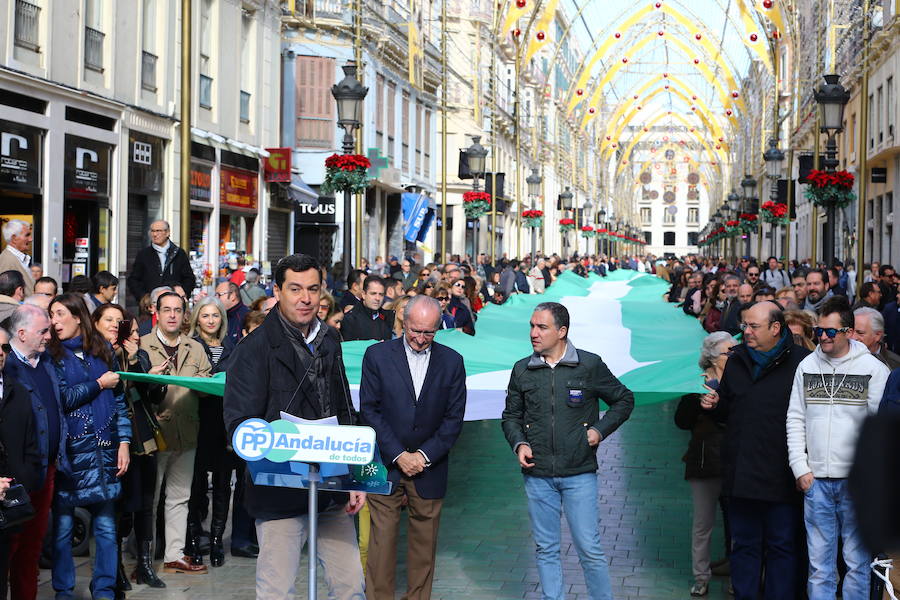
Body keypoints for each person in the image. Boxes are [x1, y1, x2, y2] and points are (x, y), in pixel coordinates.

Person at [223, 254, 366, 600]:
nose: (305, 298)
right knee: (277, 591)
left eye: (312, 290)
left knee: (351, 586)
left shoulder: (330, 340)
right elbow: (239, 424)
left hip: (330, 487)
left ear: (323, 293)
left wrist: (357, 476)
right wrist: (280, 442)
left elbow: (345, 409)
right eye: (295, 289)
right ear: (277, 291)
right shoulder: (253, 349)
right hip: (279, 491)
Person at [501, 302, 634, 600]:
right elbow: (511, 416)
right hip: (537, 475)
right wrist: (519, 443)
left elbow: (623, 399)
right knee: (545, 548)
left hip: (579, 474)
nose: (534, 333)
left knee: (588, 547)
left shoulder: (588, 365)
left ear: (562, 331)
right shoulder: (522, 369)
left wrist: (598, 431)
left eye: (542, 327)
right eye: (532, 326)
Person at [700, 301, 810, 600]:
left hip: (782, 474)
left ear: (776, 328)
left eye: (753, 326)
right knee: (744, 545)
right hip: (741, 474)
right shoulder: (737, 360)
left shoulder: (803, 363)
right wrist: (715, 404)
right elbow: (727, 406)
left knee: (781, 546)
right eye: (744, 325)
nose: (745, 332)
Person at [360, 295, 467, 600]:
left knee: (424, 547)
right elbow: (369, 410)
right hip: (386, 465)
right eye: (415, 330)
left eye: (429, 333)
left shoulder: (452, 361)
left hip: (430, 469)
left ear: (438, 329)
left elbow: (453, 419)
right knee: (381, 544)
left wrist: (422, 456)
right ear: (403, 322)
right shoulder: (377, 356)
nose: (421, 339)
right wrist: (398, 455)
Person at [787, 296, 888, 598]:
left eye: (830, 332)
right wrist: (800, 468)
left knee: (857, 563)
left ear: (847, 331)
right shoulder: (807, 365)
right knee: (819, 565)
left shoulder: (873, 369)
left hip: (856, 484)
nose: (823, 337)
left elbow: (878, 428)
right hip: (815, 481)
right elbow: (795, 417)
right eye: (819, 331)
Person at [47, 293, 131, 600]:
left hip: (106, 449)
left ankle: (105, 590)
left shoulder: (103, 349)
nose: (53, 321)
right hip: (71, 452)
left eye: (58, 314)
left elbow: (120, 402)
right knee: (63, 530)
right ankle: (64, 592)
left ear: (78, 317)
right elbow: (63, 399)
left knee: (107, 529)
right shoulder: (51, 356)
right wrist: (99, 384)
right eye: (51, 315)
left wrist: (124, 442)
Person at [141, 291, 212, 574]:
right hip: (154, 434)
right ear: (155, 313)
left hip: (187, 431)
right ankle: (144, 558)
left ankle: (174, 554)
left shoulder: (194, 348)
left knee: (180, 496)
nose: (172, 315)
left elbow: (207, 382)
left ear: (185, 314)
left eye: (177, 310)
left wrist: (201, 383)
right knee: (150, 499)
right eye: (166, 309)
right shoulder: (143, 346)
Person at [2, 304, 69, 600]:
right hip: (15, 476)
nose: (49, 335)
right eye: (43, 331)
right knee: (10, 547)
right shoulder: (9, 368)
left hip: (45, 470)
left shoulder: (46, 363)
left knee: (32, 546)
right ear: (21, 333)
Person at [675, 331, 731, 597]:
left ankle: (737, 573)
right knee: (703, 523)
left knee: (737, 523)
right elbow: (681, 421)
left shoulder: (738, 381)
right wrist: (697, 402)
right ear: (712, 356)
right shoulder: (695, 383)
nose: (733, 356)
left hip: (734, 460)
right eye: (728, 352)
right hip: (704, 459)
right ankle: (701, 576)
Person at [0, 327, 42, 599]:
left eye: (4, 348)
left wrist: (21, 483)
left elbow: (30, 446)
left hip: (10, 502)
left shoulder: (18, 392)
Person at [128, 220, 197, 303]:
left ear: (167, 233)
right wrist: (144, 297)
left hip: (173, 303)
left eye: (158, 231)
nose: (154, 234)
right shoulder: (144, 254)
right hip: (150, 305)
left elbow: (189, 279)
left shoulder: (179, 253)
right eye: (152, 231)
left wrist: (181, 294)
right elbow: (133, 280)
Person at [340, 277, 394, 342]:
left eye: (381, 294)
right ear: (363, 294)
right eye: (373, 294)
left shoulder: (388, 316)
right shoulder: (350, 319)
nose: (377, 298)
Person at [0, 220, 35, 296]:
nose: (31, 239)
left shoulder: (16, 258)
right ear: (14, 238)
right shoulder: (7, 260)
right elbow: (5, 296)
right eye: (27, 235)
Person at [214, 280, 249, 345]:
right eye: (215, 295)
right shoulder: (223, 314)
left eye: (219, 295)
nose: (216, 298)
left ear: (233, 296)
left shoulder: (245, 316)